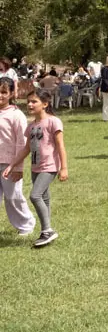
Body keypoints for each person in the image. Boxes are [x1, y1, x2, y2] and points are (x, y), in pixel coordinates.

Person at [2, 89, 67, 247]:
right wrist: (12, 165)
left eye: (34, 102)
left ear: (45, 104)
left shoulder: (53, 122)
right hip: (35, 167)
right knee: (44, 198)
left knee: (35, 196)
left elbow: (60, 146)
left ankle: (47, 231)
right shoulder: (32, 126)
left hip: (49, 166)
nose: (29, 104)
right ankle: (46, 231)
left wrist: (64, 168)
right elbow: (26, 148)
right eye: (28, 102)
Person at [0, 77, 35, 235]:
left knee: (13, 197)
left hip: (9, 164)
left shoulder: (16, 115)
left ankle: (26, 225)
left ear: (11, 93)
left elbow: (22, 143)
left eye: (3, 92)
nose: (0, 95)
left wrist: (17, 167)